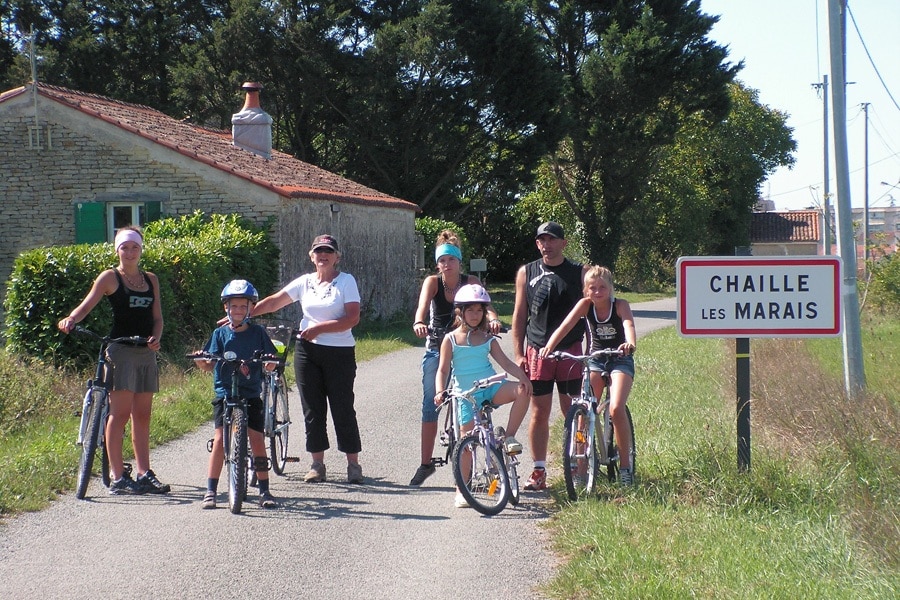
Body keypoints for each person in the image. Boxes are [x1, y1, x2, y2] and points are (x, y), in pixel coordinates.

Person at [57, 226, 169, 495]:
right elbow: (86, 305)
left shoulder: (151, 279)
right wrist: (71, 318)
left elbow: (157, 318)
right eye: (125, 247)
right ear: (117, 250)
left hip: (145, 353)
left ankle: (144, 473)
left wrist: (156, 338)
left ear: (141, 250)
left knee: (142, 415)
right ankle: (117, 476)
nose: (130, 252)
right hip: (120, 351)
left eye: (135, 247)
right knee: (119, 415)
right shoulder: (110, 277)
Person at [250, 234, 364, 484]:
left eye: (328, 251)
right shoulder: (305, 282)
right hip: (306, 350)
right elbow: (275, 302)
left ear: (337, 257)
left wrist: (321, 328)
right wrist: (243, 314)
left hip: (339, 352)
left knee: (342, 407)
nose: (323, 255)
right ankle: (317, 464)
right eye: (318, 251)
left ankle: (353, 464)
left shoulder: (346, 282)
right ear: (311, 256)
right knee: (312, 409)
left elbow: (352, 318)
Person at [409, 230, 503, 487]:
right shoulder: (433, 282)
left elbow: (488, 306)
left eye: (451, 260)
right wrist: (419, 322)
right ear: (437, 263)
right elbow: (421, 308)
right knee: (431, 402)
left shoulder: (470, 281)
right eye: (442, 260)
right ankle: (425, 463)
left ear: (459, 261)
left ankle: (481, 450)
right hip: (438, 346)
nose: (446, 265)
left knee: (477, 396)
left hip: (466, 346)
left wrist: (493, 319)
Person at [435, 284, 532, 508]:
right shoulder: (450, 339)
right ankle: (462, 489)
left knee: (522, 391)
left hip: (490, 387)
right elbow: (442, 369)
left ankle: (508, 437)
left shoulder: (488, 338)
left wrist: (524, 379)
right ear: (460, 312)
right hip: (466, 395)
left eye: (480, 311)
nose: (476, 315)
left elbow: (506, 363)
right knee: (466, 445)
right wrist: (440, 391)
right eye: (471, 311)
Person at [538, 266, 637, 484]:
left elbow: (628, 324)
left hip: (620, 358)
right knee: (584, 411)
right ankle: (581, 471)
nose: (598, 291)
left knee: (615, 407)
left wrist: (629, 343)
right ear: (586, 290)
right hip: (595, 359)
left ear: (610, 288)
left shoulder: (620, 305)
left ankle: (625, 467)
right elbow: (565, 327)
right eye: (593, 287)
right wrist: (549, 347)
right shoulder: (585, 305)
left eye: (602, 287)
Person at [511, 221, 588, 491]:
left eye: (553, 239)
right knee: (539, 412)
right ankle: (539, 470)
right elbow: (520, 315)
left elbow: (595, 306)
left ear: (563, 243)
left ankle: (579, 464)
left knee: (574, 412)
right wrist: (519, 352)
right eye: (542, 240)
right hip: (537, 350)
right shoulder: (527, 272)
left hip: (570, 351)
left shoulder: (580, 272)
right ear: (537, 244)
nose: (547, 244)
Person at [193, 280, 279, 509]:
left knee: (257, 438)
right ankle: (210, 490)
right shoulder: (219, 334)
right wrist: (202, 361)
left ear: (251, 308)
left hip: (250, 393)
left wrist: (270, 363)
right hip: (225, 394)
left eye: (244, 306)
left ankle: (264, 490)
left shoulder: (258, 333)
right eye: (234, 306)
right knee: (220, 439)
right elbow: (209, 364)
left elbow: (271, 360)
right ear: (226, 308)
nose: (239, 311)